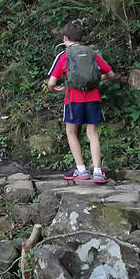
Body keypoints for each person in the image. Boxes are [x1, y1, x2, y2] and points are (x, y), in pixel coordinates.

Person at [47, 21, 117, 184]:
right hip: (93, 98)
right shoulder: (91, 53)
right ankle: (98, 172)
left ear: (65, 38)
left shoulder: (64, 55)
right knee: (92, 134)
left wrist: (55, 90)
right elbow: (111, 74)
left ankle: (81, 170)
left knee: (71, 133)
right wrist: (99, 79)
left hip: (73, 100)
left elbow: (51, 83)